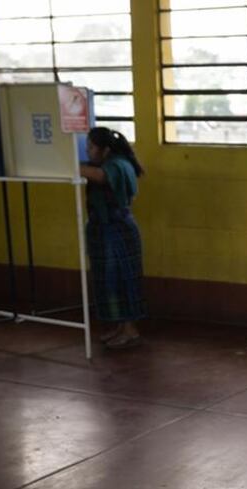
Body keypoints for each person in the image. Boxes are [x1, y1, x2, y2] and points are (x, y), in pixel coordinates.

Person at [79, 127, 146, 349]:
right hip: (103, 229)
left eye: (90, 146)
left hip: (118, 229)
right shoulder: (109, 162)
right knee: (108, 280)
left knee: (122, 278)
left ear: (105, 149)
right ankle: (119, 326)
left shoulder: (118, 164)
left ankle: (130, 329)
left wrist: (68, 163)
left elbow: (101, 176)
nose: (87, 150)